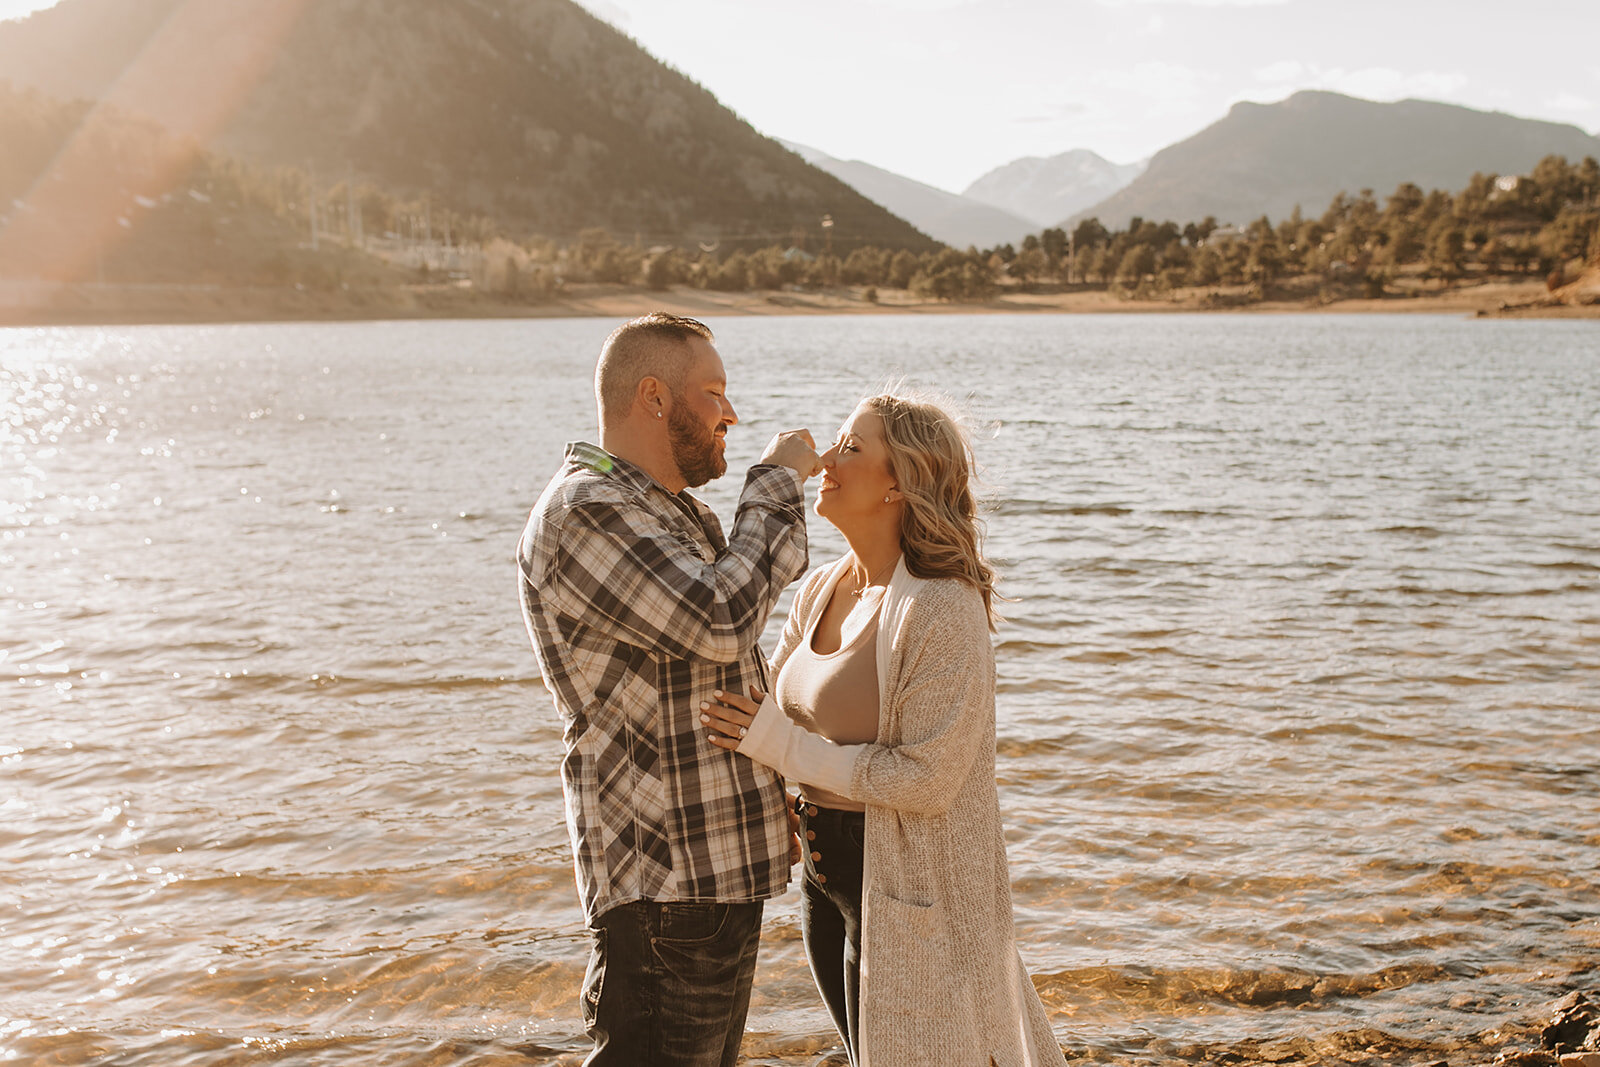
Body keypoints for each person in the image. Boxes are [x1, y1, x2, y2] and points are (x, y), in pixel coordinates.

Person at [700, 392, 1067, 1067]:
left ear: (899, 483)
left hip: (904, 879)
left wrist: (781, 747)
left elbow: (927, 780)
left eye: (852, 446)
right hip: (822, 874)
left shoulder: (943, 606)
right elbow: (767, 707)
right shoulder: (821, 588)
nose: (828, 459)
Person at [517, 312, 821, 1067]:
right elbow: (722, 620)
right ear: (654, 398)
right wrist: (776, 483)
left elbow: (701, 677)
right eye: (713, 392)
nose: (730, 413)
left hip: (705, 881)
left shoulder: (662, 508)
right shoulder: (588, 509)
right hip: (664, 890)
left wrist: (766, 784)